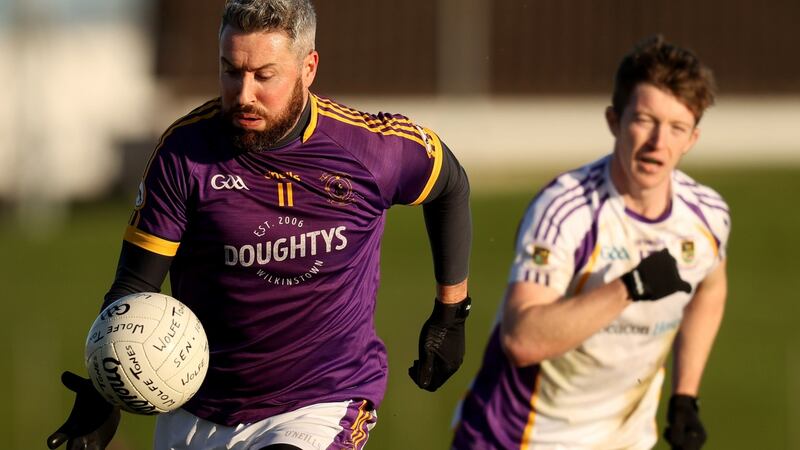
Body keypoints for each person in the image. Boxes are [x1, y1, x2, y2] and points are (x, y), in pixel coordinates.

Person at [47, 1, 472, 449]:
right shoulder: (184, 154)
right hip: (196, 409)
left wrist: (451, 312)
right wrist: (105, 388)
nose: (244, 94)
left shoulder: (371, 150)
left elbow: (450, 185)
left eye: (264, 76)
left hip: (321, 402)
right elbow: (135, 284)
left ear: (308, 68)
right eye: (231, 71)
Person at [451, 35, 728, 450]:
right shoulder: (567, 210)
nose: (658, 143)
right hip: (517, 439)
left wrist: (685, 396)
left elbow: (711, 285)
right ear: (614, 121)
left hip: (622, 440)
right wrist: (629, 287)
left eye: (676, 128)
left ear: (692, 140)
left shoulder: (707, 216)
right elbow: (522, 340)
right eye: (645, 120)